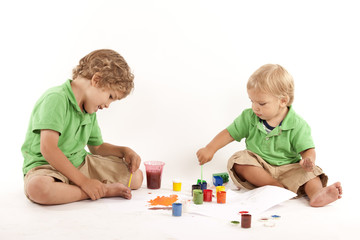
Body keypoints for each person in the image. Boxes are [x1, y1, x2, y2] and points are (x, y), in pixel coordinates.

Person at [196, 64, 342, 207]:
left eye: (261, 103)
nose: (255, 107)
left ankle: (317, 194)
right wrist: (210, 148)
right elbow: (229, 133)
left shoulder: (297, 124)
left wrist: (308, 160)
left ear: (283, 101)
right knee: (238, 159)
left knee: (311, 173)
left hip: (289, 168)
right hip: (259, 167)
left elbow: (307, 149)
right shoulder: (249, 117)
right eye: (252, 101)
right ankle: (275, 187)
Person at [22, 49, 143, 205]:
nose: (107, 105)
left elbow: (97, 147)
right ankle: (100, 190)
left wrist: (124, 151)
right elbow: (48, 149)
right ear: (96, 80)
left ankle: (72, 189)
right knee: (38, 189)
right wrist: (85, 183)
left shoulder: (89, 109)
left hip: (80, 163)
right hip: (47, 167)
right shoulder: (56, 98)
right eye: (110, 97)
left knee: (137, 177)